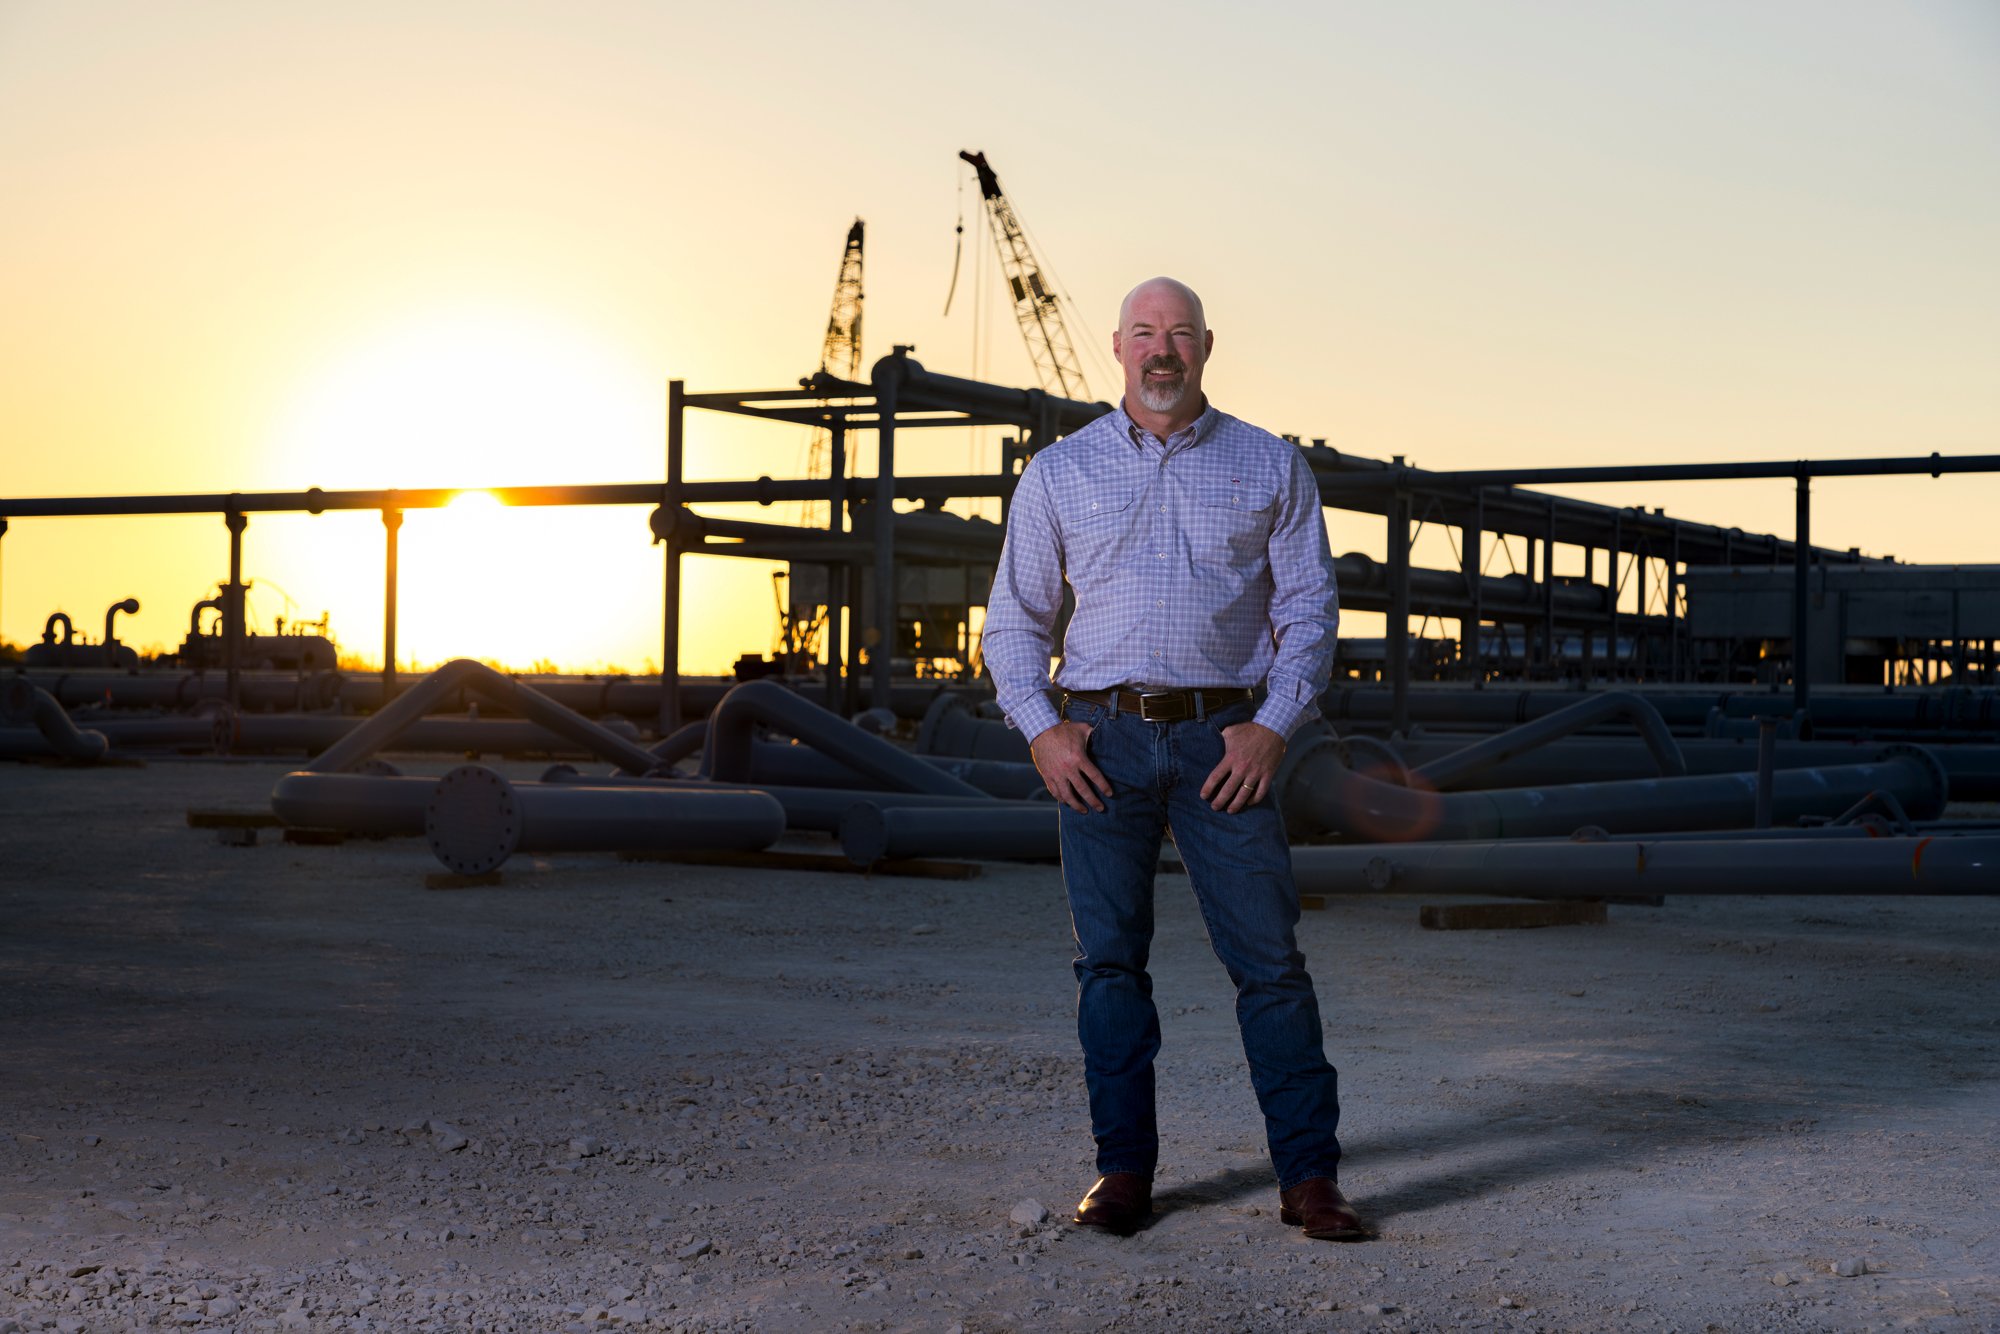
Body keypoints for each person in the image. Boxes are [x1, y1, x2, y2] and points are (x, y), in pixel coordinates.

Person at [982, 277, 1367, 1241]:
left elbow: (1310, 613)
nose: (1163, 350)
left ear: (1207, 346)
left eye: (1181, 334)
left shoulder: (1270, 464)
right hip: (1098, 742)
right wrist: (1041, 727)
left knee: (1271, 966)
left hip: (1223, 743)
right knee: (1109, 968)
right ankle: (1124, 1174)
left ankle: (1309, 1180)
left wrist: (1274, 724)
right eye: (1145, 333)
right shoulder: (1059, 473)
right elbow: (1014, 621)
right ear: (1116, 347)